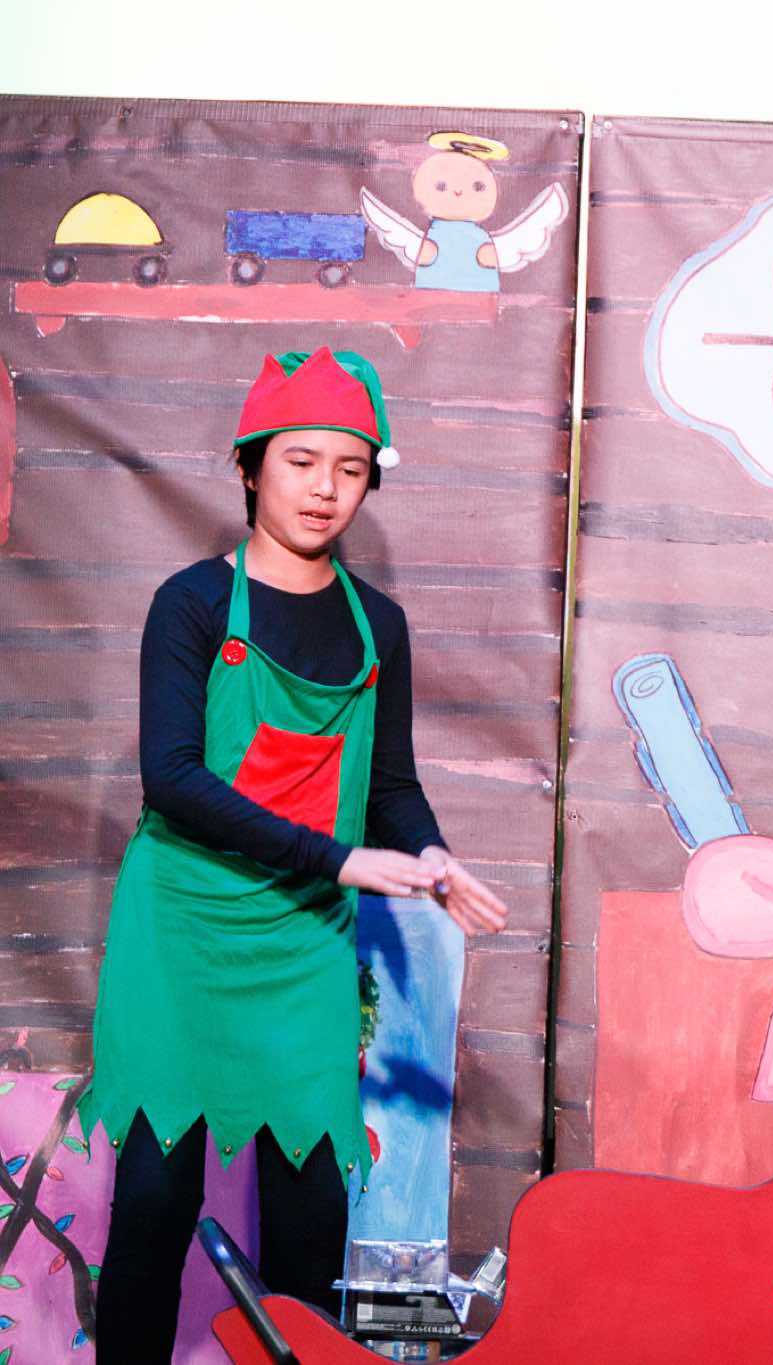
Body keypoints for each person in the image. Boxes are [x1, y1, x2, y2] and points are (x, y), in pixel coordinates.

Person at [77, 346, 509, 1362]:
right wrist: (340, 860)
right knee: (154, 1202)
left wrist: (433, 856)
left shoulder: (377, 628)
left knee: (313, 1217)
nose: (325, 488)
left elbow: (389, 786)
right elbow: (172, 779)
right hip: (180, 937)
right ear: (249, 467)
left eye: (349, 468)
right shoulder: (191, 603)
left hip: (303, 945)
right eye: (301, 461)